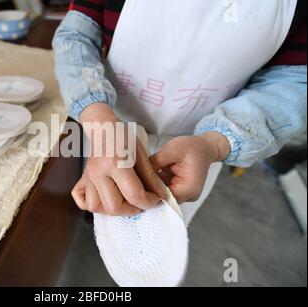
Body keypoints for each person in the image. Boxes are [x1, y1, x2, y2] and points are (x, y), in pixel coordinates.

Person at [53, 0, 307, 222]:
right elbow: (76, 36)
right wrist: (100, 122)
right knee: (100, 211)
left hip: (198, 153)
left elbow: (296, 79)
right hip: (106, 128)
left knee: (159, 245)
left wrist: (213, 146)